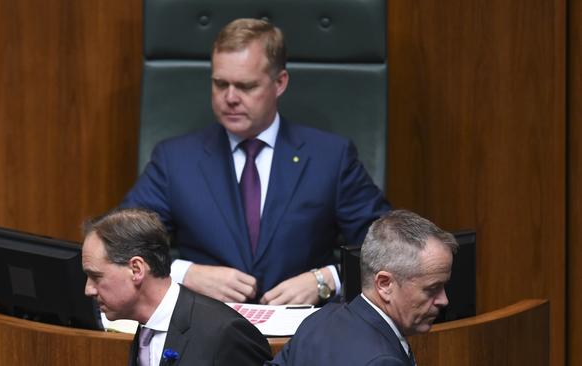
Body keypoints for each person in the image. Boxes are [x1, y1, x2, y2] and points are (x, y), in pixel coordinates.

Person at [120, 18, 391, 305]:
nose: (230, 98)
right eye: (220, 84)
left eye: (246, 86)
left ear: (280, 83)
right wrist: (184, 273)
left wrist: (327, 280)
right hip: (202, 331)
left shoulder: (331, 157)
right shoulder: (175, 160)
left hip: (306, 333)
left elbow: (389, 250)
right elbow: (119, 246)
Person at [81, 208, 272, 366]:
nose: (88, 289)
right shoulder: (145, 328)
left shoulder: (225, 333)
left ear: (136, 270)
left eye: (96, 277)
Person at [270, 210, 458, 365]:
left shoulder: (319, 319)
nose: (444, 300)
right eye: (432, 289)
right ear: (385, 284)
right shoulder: (383, 361)